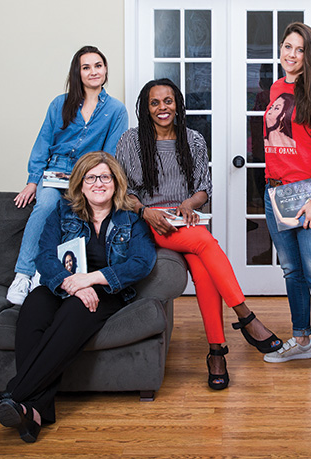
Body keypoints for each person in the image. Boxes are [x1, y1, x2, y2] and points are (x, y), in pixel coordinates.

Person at [0, 151, 156, 442]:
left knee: (74, 312)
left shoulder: (131, 219)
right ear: (80, 184)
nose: (98, 183)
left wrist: (91, 280)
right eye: (91, 177)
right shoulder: (62, 211)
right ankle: (32, 411)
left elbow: (141, 263)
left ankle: (12, 395)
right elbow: (45, 256)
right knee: (33, 307)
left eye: (105, 177)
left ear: (116, 183)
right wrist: (73, 284)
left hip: (106, 290)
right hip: (63, 284)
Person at [116, 78, 282, 391]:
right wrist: (145, 212)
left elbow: (203, 189)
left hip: (183, 221)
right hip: (147, 222)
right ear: (145, 108)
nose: (162, 108)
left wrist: (189, 204)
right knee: (206, 241)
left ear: (177, 103)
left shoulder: (192, 139)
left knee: (205, 271)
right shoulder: (130, 141)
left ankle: (217, 352)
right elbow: (120, 191)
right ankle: (245, 316)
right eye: (155, 102)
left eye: (168, 101)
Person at [6, 45, 129, 305]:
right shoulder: (59, 104)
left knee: (78, 211)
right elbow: (43, 142)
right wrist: (32, 181)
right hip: (55, 171)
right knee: (47, 205)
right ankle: (23, 274)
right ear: (78, 72)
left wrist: (96, 181)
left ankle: (48, 272)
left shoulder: (116, 110)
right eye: (86, 67)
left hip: (88, 173)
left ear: (105, 70)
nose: (93, 71)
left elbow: (108, 156)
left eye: (98, 65)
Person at [260, 22, 311, 383]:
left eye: (299, 49)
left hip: (308, 193)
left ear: (309, 55)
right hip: (276, 193)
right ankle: (301, 340)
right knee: (292, 271)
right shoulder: (277, 88)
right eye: (287, 46)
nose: (291, 54)